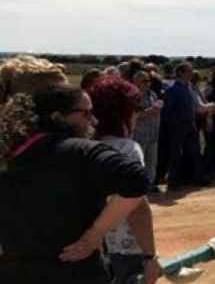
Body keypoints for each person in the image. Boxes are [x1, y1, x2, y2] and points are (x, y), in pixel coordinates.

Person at [0, 63, 157, 284]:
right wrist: (94, 236)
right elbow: (135, 180)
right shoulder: (78, 150)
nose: (93, 121)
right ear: (56, 113)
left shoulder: (9, 150)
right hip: (75, 271)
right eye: (86, 113)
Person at [89, 75, 161, 284]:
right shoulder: (126, 149)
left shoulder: (83, 145)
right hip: (123, 246)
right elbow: (136, 207)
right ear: (125, 113)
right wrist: (150, 257)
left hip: (91, 245)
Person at [159, 62, 204, 188]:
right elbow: (166, 111)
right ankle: (174, 182)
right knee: (175, 155)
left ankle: (194, 178)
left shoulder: (188, 88)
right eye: (188, 72)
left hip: (190, 125)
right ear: (180, 73)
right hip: (177, 127)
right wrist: (171, 126)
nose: (191, 74)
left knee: (194, 152)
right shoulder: (172, 89)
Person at [130, 67, 162, 191]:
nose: (148, 83)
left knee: (151, 163)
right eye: (144, 81)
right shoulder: (132, 96)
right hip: (139, 135)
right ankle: (139, 188)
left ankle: (150, 185)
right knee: (139, 163)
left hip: (153, 133)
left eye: (148, 80)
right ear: (135, 82)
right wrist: (150, 111)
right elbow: (134, 115)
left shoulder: (152, 94)